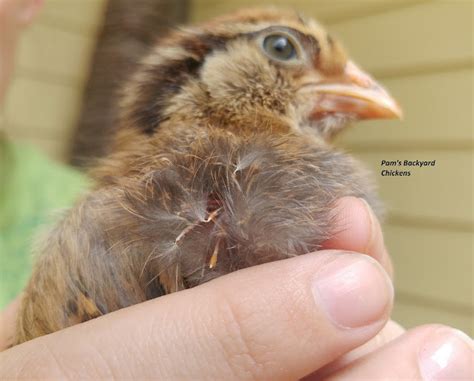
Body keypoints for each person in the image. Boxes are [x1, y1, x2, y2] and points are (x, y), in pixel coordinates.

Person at [0, 0, 472, 379]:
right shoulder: (118, 219)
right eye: (284, 51)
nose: (363, 87)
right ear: (188, 75)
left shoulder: (72, 201)